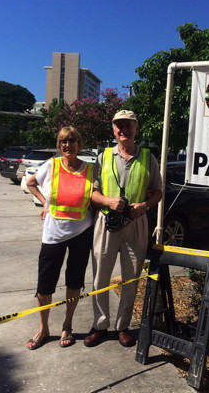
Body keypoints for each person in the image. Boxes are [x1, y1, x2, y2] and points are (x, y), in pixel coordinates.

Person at [84, 110, 162, 348]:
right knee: (100, 278)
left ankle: (123, 326)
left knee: (131, 279)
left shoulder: (149, 158)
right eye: (119, 126)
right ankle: (100, 325)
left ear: (136, 128)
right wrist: (107, 201)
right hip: (106, 222)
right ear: (113, 130)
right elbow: (92, 191)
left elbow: (158, 191)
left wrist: (145, 205)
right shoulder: (103, 156)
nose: (123, 130)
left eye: (128, 125)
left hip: (136, 224)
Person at [26, 126, 95, 350]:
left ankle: (67, 325)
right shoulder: (51, 165)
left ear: (79, 144)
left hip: (81, 233)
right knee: (45, 284)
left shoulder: (90, 169)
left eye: (72, 140)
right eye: (63, 141)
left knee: (75, 281)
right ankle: (43, 328)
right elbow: (31, 183)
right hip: (53, 233)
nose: (68, 145)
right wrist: (44, 203)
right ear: (59, 145)